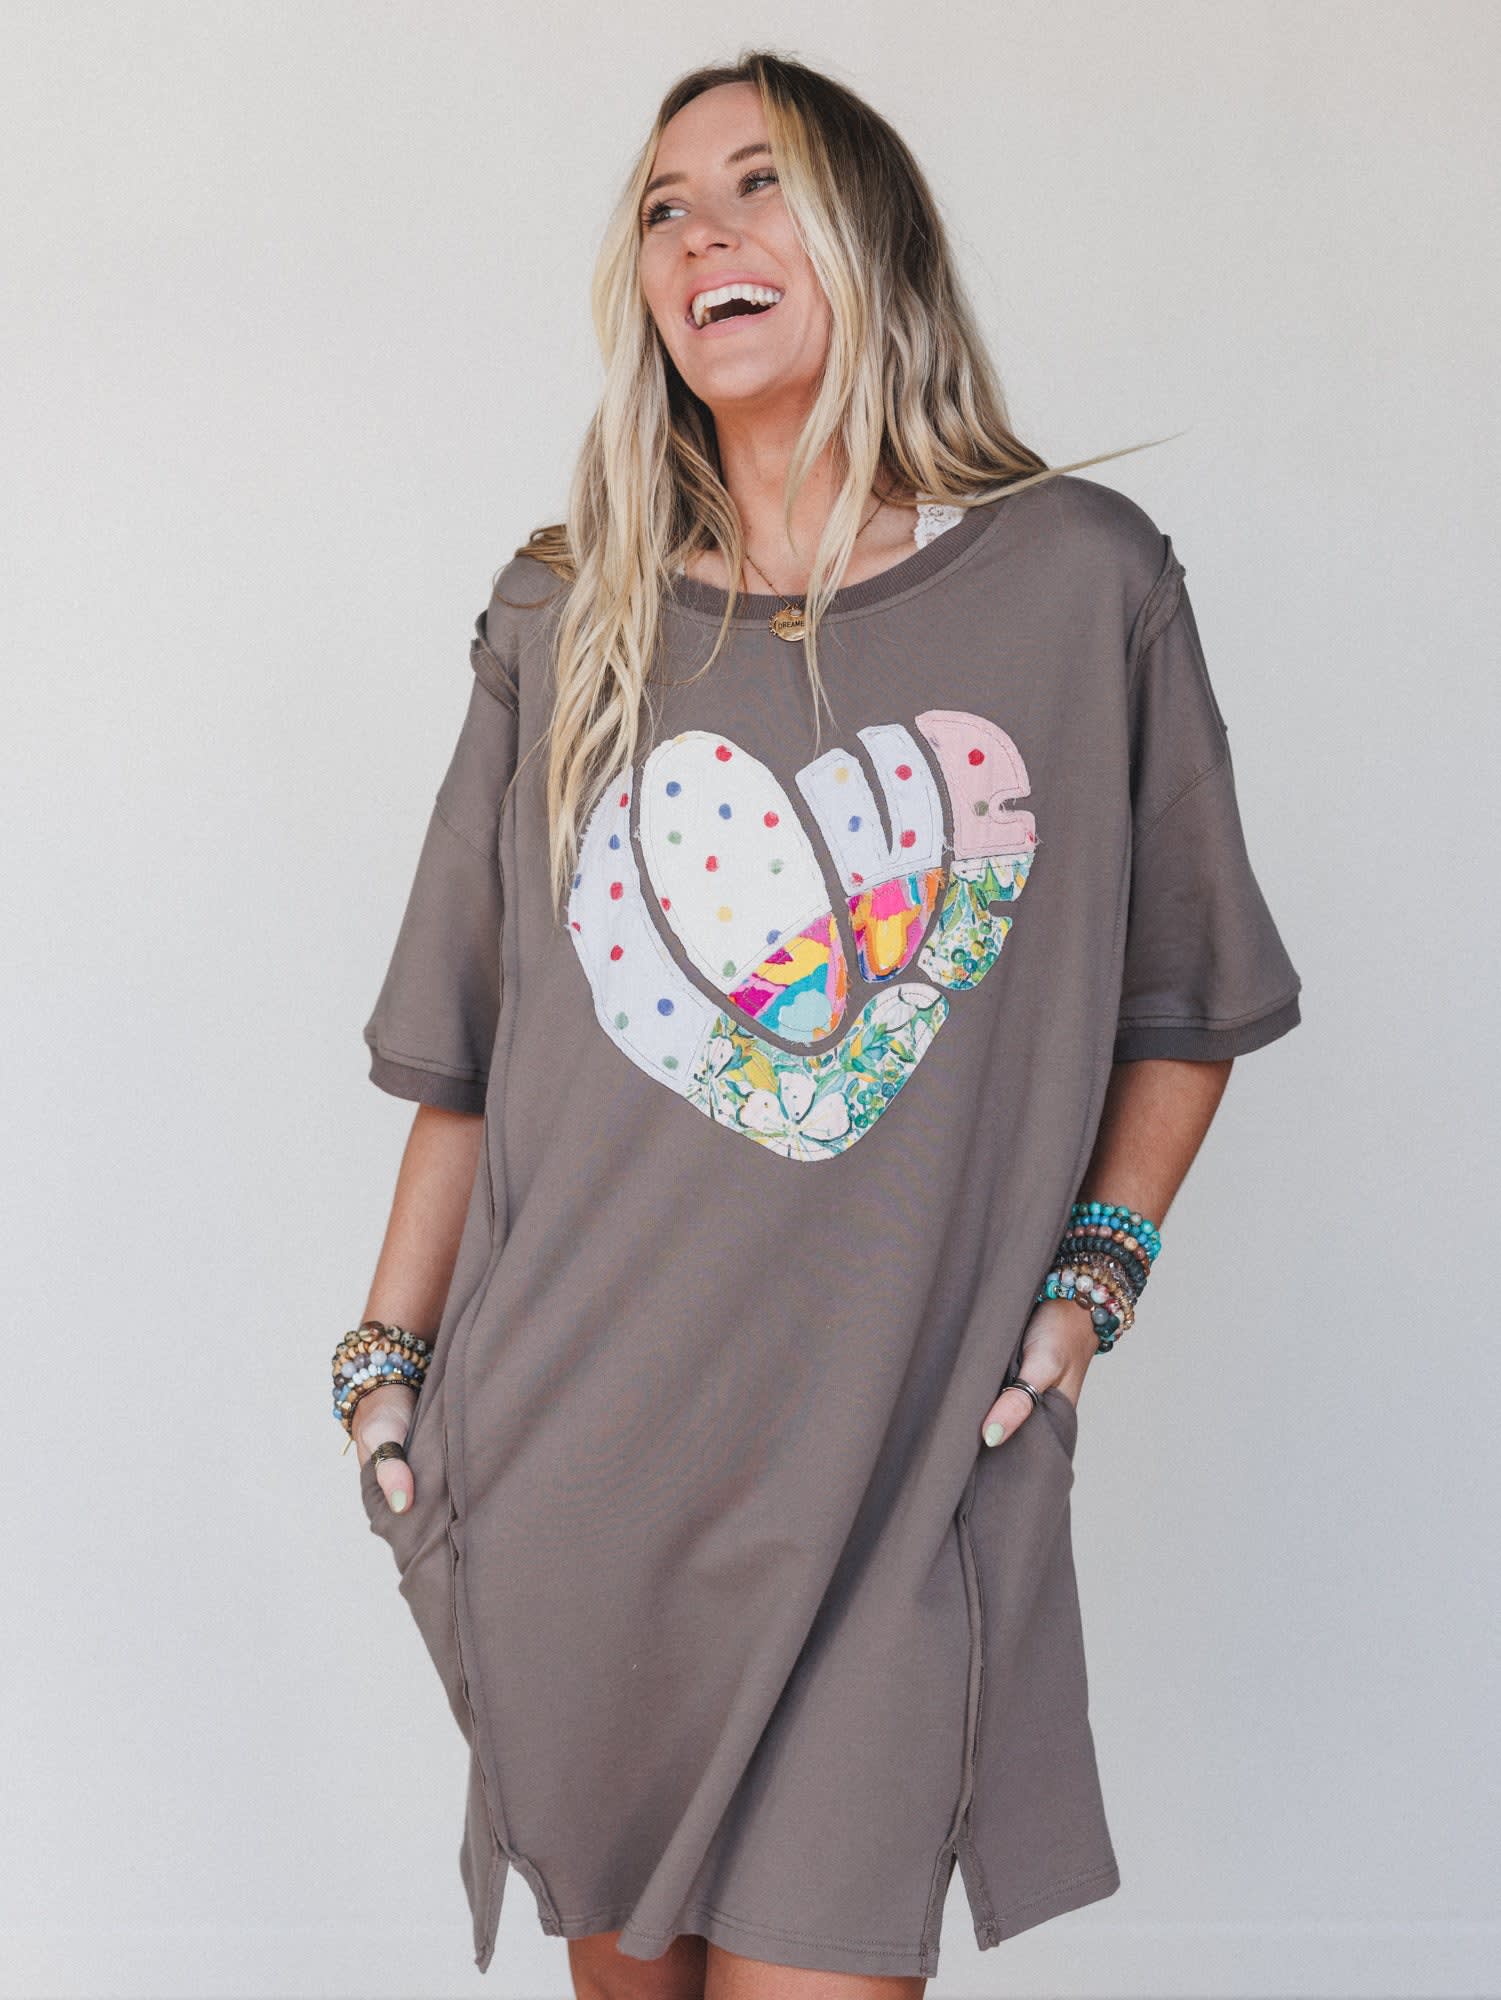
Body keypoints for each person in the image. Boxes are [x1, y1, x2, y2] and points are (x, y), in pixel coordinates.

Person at [335, 48, 1303, 2000]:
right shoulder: (562, 614)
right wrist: (381, 1366)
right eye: (663, 207)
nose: (703, 230)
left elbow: (1185, 1001)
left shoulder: (1080, 586)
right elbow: (467, 1053)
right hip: (583, 1461)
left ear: (872, 236)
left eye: (758, 181)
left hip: (894, 1472)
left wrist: (1091, 1281)